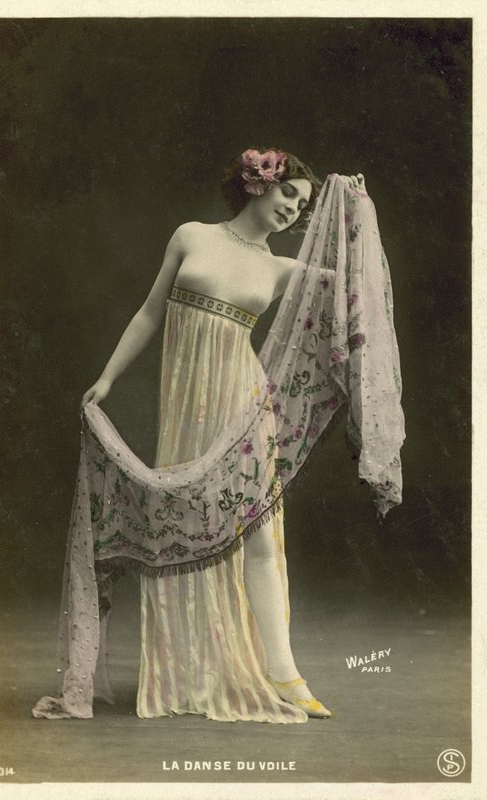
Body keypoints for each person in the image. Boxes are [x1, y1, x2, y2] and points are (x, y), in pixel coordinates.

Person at [80, 147, 367, 724]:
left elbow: (359, 280)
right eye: (289, 194)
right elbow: (149, 312)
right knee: (189, 528)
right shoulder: (191, 236)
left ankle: (285, 674)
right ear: (257, 183)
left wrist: (354, 210)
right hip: (187, 408)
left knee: (257, 538)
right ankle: (188, 671)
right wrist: (108, 377)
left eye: (303, 206)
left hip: (244, 407)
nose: (293, 210)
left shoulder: (281, 270)